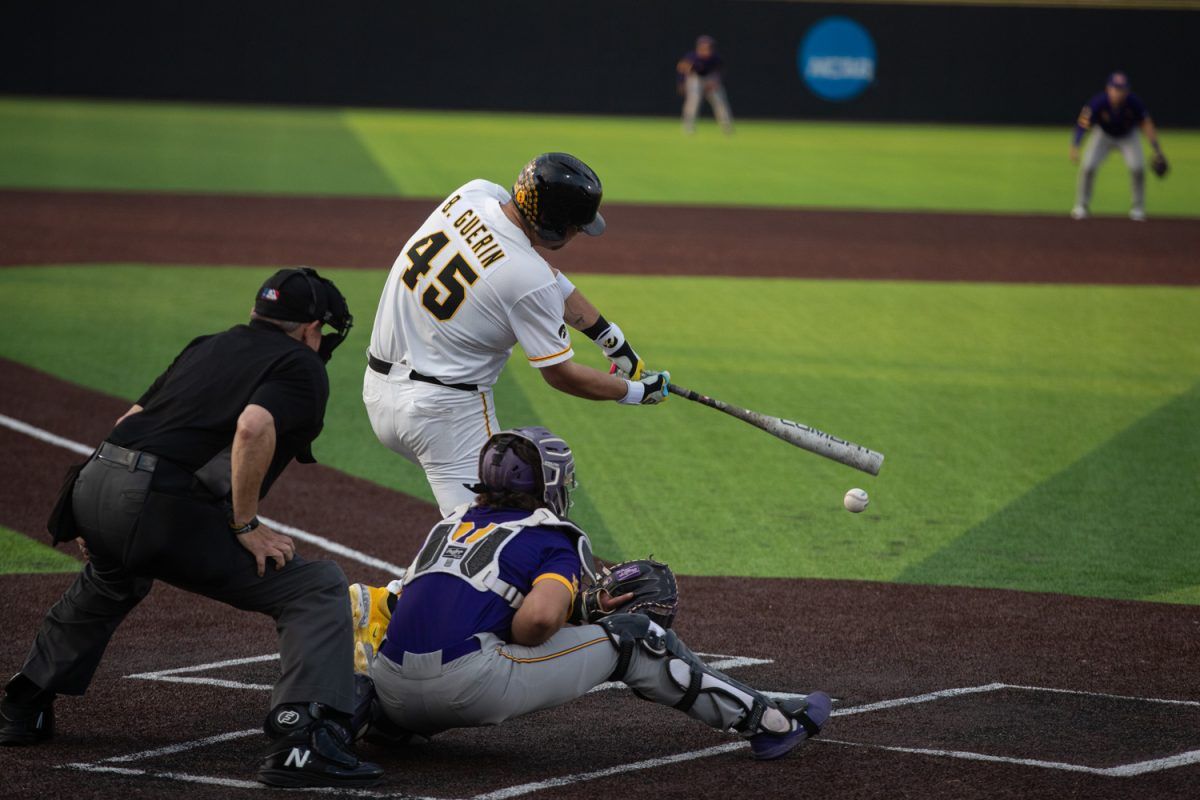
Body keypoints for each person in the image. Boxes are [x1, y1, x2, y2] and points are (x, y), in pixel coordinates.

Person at [0, 268, 383, 789]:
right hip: (158, 505)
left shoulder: (210, 344)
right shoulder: (299, 364)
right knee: (314, 587)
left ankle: (22, 706)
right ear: (313, 328)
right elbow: (254, 425)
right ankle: (305, 739)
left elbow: (130, 419)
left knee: (115, 574)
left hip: (97, 481)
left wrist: (97, 512)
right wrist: (245, 524)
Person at [351, 426, 831, 760]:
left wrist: (573, 612)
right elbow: (536, 622)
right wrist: (581, 618)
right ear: (547, 483)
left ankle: (393, 726)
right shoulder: (551, 535)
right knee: (637, 638)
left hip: (390, 689)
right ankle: (768, 724)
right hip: (469, 686)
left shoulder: (450, 526)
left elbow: (420, 604)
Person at [364, 152, 670, 517]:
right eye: (575, 226)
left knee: (477, 531)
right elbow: (561, 375)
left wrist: (610, 339)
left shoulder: (473, 194)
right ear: (554, 224)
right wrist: (635, 392)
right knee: (500, 530)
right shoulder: (528, 279)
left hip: (379, 391)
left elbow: (541, 273)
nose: (578, 234)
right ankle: (406, 580)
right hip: (444, 416)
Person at [1070, 71, 1167, 221]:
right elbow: (1083, 123)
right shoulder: (1098, 102)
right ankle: (1081, 206)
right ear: (1108, 89)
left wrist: (1156, 149)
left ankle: (1138, 208)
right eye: (1115, 88)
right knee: (1088, 166)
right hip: (1103, 135)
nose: (1118, 92)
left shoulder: (1134, 102)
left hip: (1128, 136)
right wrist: (1076, 145)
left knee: (1138, 168)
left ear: (1127, 90)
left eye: (1121, 89)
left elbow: (1146, 124)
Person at [677, 35, 734, 135]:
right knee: (693, 102)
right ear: (698, 47)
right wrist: (681, 82)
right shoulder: (691, 56)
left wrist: (716, 81)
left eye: (708, 47)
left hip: (711, 79)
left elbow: (721, 71)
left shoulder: (716, 58)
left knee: (720, 102)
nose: (706, 49)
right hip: (695, 79)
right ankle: (688, 127)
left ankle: (727, 127)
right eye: (703, 46)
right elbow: (682, 69)